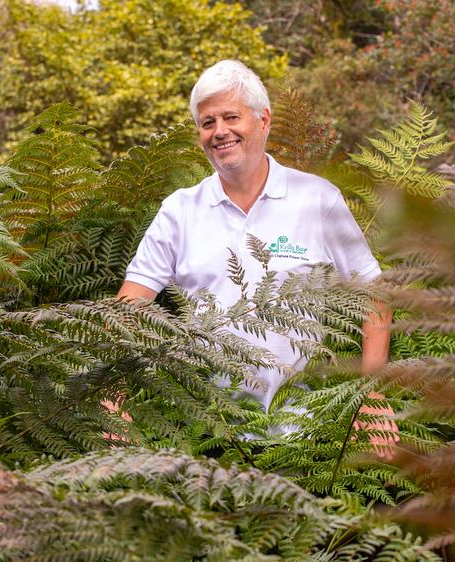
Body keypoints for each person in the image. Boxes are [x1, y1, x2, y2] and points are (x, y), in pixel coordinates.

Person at [117, 60, 395, 446]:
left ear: (263, 120)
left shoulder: (317, 199)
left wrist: (371, 393)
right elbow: (129, 307)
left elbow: (374, 292)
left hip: (308, 438)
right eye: (207, 122)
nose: (219, 132)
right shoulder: (179, 211)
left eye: (231, 117)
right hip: (208, 434)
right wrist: (111, 397)